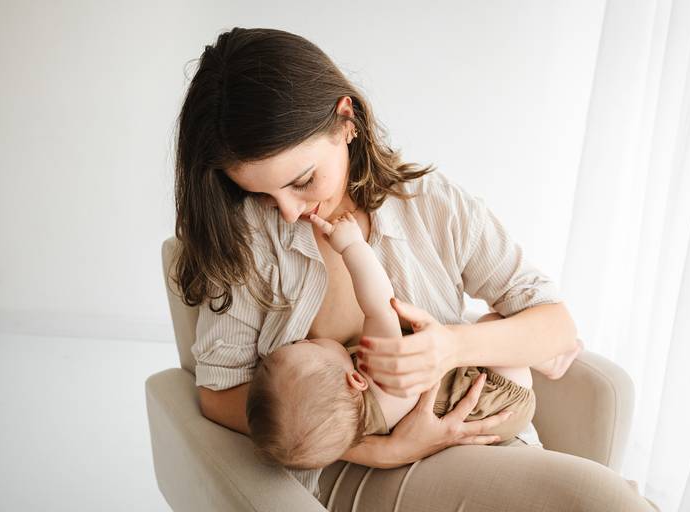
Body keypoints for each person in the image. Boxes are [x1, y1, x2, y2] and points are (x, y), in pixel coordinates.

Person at [174, 26, 657, 511]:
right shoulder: (248, 239)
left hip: (481, 437)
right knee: (601, 500)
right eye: (259, 193)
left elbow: (554, 324)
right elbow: (218, 393)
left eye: (302, 180)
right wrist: (380, 448)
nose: (288, 212)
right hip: (356, 471)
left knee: (604, 498)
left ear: (346, 120)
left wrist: (450, 346)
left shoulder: (431, 205)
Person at [245, 211, 584, 470]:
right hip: (501, 390)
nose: (300, 341)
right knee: (492, 321)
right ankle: (549, 359)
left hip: (492, 416)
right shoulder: (380, 373)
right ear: (355, 378)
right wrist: (351, 247)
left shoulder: (353, 426)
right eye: (305, 347)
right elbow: (378, 304)